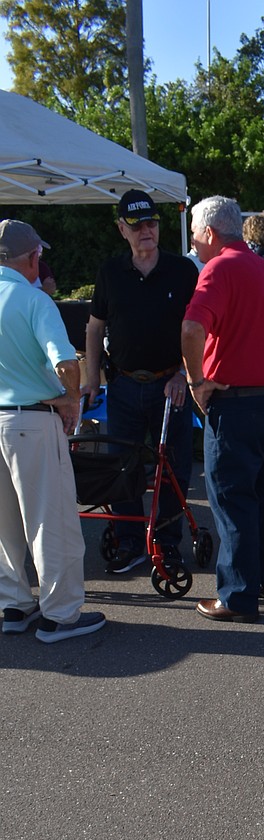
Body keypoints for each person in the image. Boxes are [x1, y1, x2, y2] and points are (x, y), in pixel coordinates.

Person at [181, 195, 264, 623]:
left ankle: (237, 596)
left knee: (232, 499)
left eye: (195, 236)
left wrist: (195, 381)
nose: (194, 245)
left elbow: (192, 327)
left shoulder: (218, 268)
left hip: (237, 404)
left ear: (209, 233)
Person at [0, 219, 106, 643]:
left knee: (3, 526)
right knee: (52, 522)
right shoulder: (34, 300)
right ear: (32, 258)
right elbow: (66, 362)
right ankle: (60, 614)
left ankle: (13, 603)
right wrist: (70, 397)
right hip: (30, 421)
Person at [84, 190, 198, 574]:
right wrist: (90, 380)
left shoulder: (183, 271)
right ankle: (130, 540)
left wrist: (185, 374)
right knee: (123, 466)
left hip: (171, 385)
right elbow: (95, 326)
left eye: (151, 223)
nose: (146, 231)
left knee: (174, 467)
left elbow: (199, 330)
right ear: (122, 229)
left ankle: (166, 543)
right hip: (124, 386)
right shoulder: (110, 272)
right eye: (137, 225)